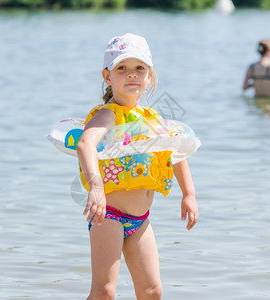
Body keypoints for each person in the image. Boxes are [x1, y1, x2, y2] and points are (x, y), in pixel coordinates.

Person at [76, 33, 198, 300]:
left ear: (149, 76)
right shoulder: (108, 114)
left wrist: (188, 194)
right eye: (122, 68)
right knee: (105, 292)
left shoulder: (152, 117)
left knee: (152, 290)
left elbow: (174, 150)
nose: (132, 74)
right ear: (108, 77)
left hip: (140, 219)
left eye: (139, 68)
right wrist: (95, 186)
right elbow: (85, 144)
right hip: (108, 214)